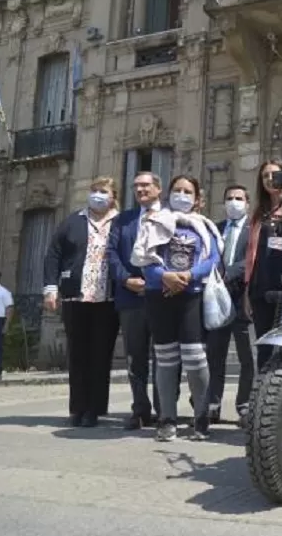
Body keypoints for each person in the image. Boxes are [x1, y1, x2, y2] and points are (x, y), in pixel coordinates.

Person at [132, 174, 220, 442]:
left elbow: (213, 257)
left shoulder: (204, 226)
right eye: (177, 190)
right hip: (160, 296)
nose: (182, 195)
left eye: (188, 191)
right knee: (166, 360)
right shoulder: (153, 221)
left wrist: (189, 276)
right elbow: (144, 258)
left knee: (196, 359)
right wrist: (165, 276)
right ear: (169, 194)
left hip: (191, 295)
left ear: (197, 198)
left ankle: (201, 418)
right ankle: (167, 420)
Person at [43, 177, 121, 427]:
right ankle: (77, 408)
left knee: (100, 354)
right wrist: (51, 288)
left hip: (107, 298)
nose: (98, 195)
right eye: (95, 190)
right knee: (77, 353)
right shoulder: (73, 221)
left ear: (113, 196)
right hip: (76, 295)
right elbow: (53, 254)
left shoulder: (121, 222)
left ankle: (95, 409)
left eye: (104, 191)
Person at [107, 171, 179, 430]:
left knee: (164, 356)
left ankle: (165, 412)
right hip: (131, 297)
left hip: (163, 295)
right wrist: (126, 280)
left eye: (146, 185)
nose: (140, 190)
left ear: (158, 189)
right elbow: (112, 254)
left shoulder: (171, 217)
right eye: (136, 186)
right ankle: (140, 409)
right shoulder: (122, 220)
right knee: (135, 357)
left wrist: (159, 280)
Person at [204, 184, 255, 424]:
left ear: (247, 203)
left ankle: (244, 404)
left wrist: (229, 273)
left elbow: (252, 260)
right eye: (229, 198)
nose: (233, 202)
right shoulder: (215, 228)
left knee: (248, 356)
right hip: (218, 299)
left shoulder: (255, 229)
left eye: (238, 198)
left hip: (244, 298)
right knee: (215, 354)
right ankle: (212, 402)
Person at [245, 159, 282, 369]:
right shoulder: (259, 214)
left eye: (275, 174)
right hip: (260, 288)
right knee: (264, 348)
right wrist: (247, 290)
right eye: (265, 176)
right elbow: (251, 254)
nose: (269, 179)